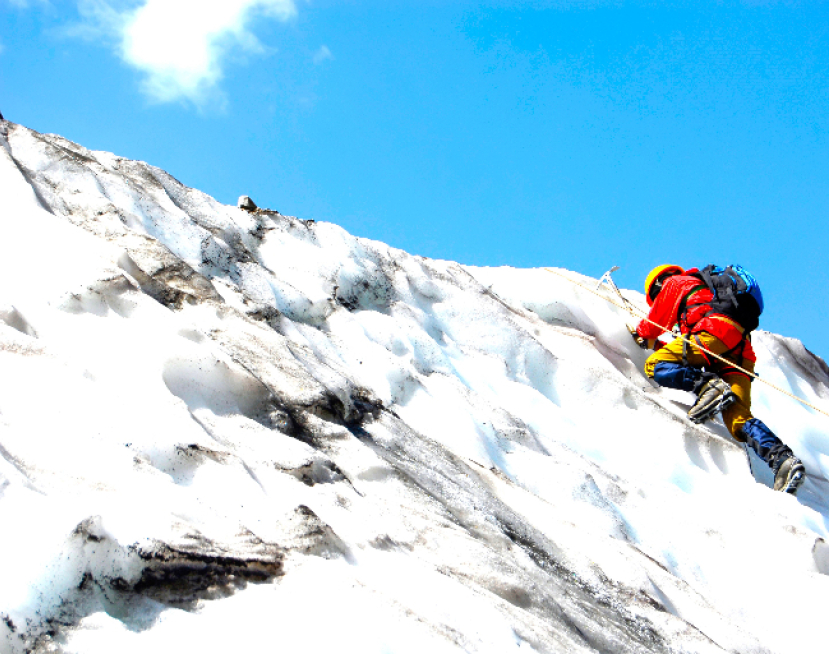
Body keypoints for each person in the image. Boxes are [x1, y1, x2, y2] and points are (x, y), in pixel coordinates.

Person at [631, 264, 805, 495]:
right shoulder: (708, 294)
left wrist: (639, 335)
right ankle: (783, 460)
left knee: (654, 365)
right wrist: (659, 345)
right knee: (738, 419)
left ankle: (710, 387)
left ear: (659, 284)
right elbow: (691, 352)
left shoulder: (676, 283)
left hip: (714, 332)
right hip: (739, 350)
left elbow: (654, 325)